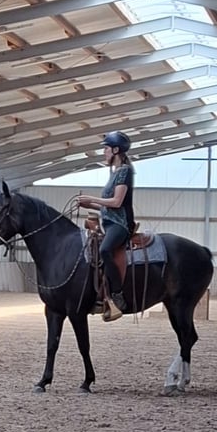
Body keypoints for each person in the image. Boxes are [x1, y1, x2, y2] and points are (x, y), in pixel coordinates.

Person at [77, 130, 135, 321]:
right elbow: (107, 207)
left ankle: (117, 294)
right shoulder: (115, 173)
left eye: (107, 149)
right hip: (109, 222)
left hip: (120, 225)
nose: (104, 152)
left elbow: (117, 202)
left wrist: (92, 199)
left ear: (116, 150)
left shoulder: (125, 172)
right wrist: (89, 204)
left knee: (104, 250)